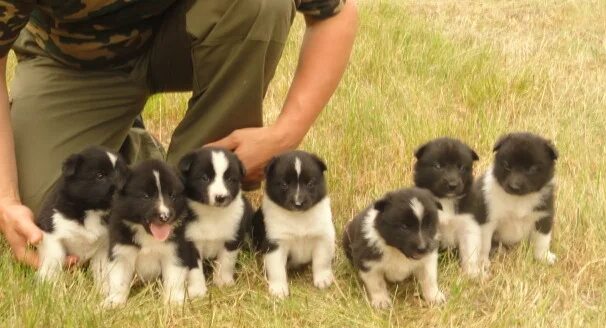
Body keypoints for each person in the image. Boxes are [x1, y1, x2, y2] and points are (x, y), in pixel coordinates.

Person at [0, 0, 358, 268]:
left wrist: (284, 135)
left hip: (186, 34)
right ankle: (130, 147)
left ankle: (197, 203)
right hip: (72, 61)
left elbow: (335, 13)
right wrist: (6, 198)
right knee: (49, 217)